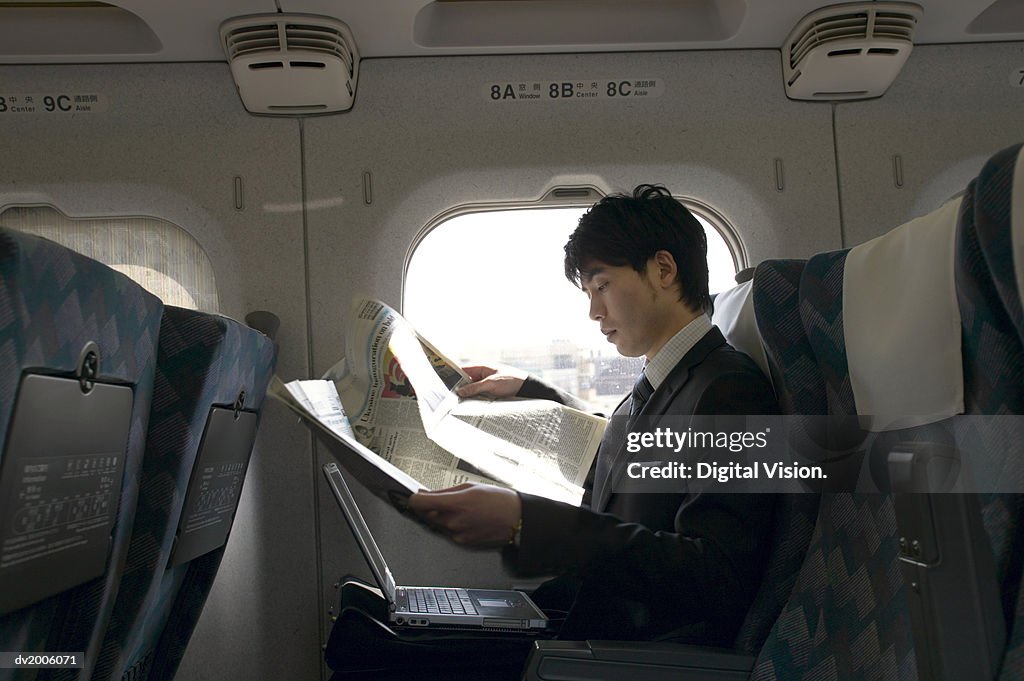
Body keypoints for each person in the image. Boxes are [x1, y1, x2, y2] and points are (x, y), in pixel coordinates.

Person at [409, 184, 779, 649]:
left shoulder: (729, 391)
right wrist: (530, 392)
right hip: (589, 622)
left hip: (633, 652)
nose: (593, 311)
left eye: (602, 285)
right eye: (588, 291)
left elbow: (712, 574)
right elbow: (625, 458)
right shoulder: (659, 387)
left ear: (663, 270)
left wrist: (527, 522)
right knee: (375, 625)